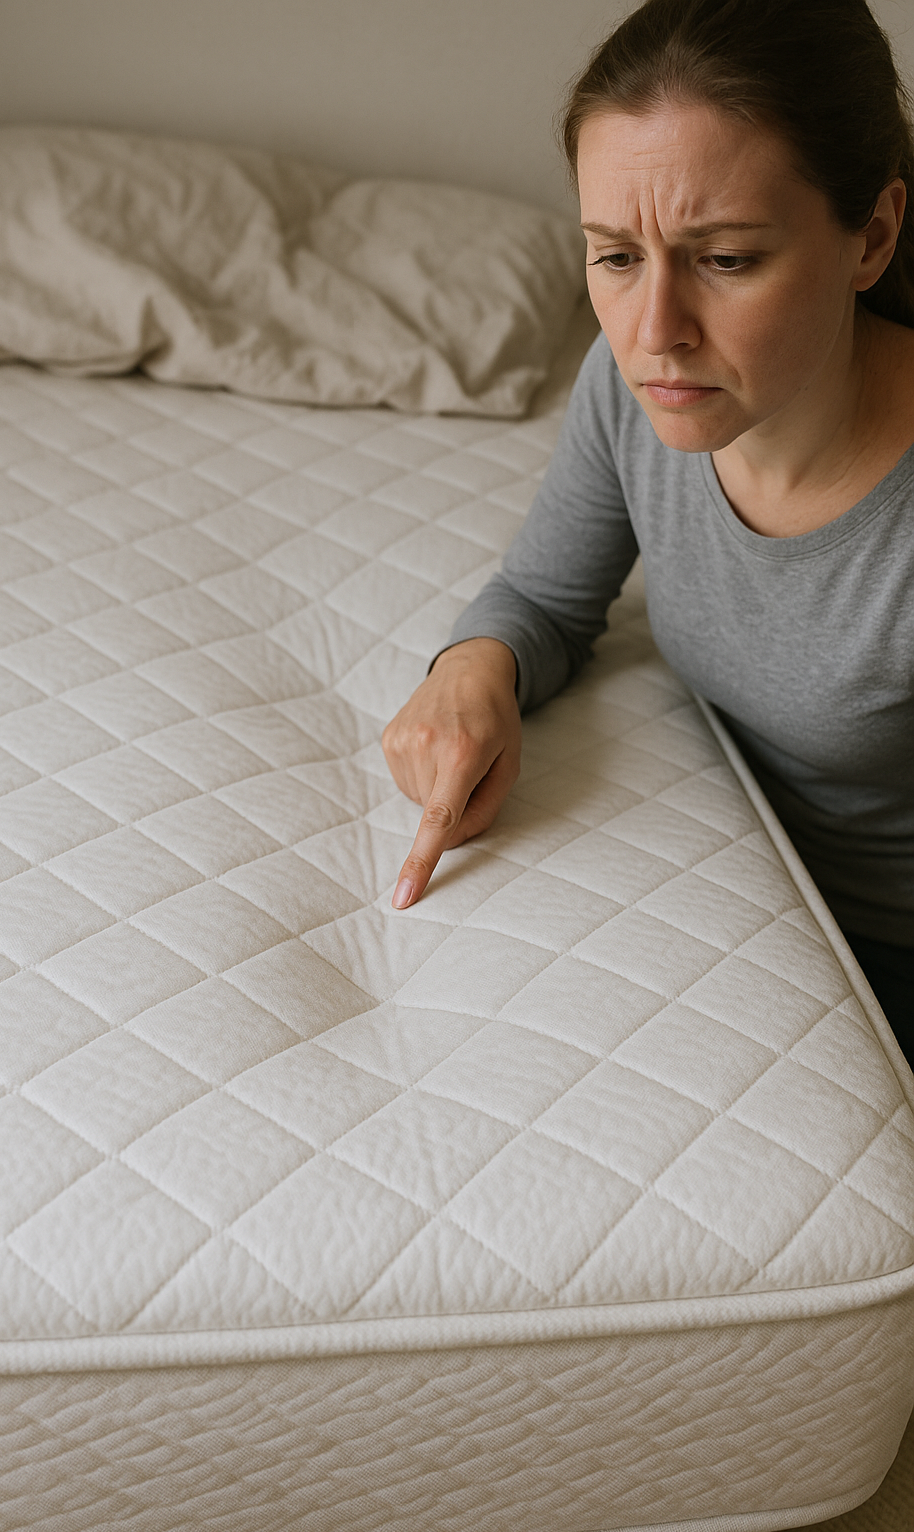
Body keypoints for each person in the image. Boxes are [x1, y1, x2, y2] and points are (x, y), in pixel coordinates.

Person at [381, 0, 914, 1052]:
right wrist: (471, 671)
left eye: (725, 260)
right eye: (615, 257)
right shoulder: (630, 394)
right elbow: (543, 598)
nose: (652, 333)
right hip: (754, 919)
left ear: (872, 237)